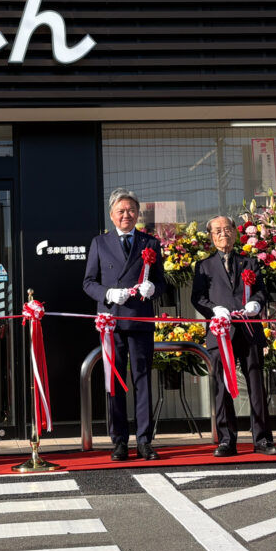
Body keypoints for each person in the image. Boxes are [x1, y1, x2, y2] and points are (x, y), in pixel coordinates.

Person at [82, 188, 166, 461]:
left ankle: (144, 441)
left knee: (142, 380)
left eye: (131, 210)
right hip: (112, 322)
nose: (126, 215)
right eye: (121, 210)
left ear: (138, 213)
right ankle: (119, 441)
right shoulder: (100, 242)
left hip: (140, 319)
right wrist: (108, 293)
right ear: (111, 215)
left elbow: (162, 281)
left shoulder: (150, 243)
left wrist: (153, 288)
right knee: (114, 382)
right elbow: (88, 282)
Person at [191, 215, 276, 457]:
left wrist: (255, 304)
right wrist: (214, 310)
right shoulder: (203, 266)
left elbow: (261, 291)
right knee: (221, 387)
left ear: (235, 232)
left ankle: (262, 439)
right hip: (220, 332)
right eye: (218, 230)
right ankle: (226, 440)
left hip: (249, 330)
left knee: (256, 386)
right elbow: (197, 298)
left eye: (227, 229)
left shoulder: (249, 262)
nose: (224, 234)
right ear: (211, 236)